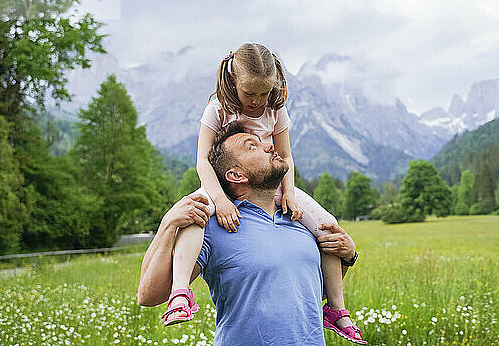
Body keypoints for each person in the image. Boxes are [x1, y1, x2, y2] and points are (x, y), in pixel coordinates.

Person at [166, 43, 366, 344]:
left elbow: (285, 156)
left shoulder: (275, 108)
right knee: (196, 216)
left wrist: (287, 192)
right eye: (250, 94)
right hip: (221, 181)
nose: (257, 101)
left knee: (328, 223)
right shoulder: (218, 107)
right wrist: (219, 201)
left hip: (270, 180)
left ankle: (336, 309)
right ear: (235, 81)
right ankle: (180, 292)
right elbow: (202, 161)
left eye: (264, 93)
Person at [138, 121, 363, 345]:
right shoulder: (213, 226)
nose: (269, 146)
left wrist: (348, 256)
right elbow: (149, 296)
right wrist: (168, 225)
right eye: (252, 146)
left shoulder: (300, 219)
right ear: (236, 175)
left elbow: (309, 295)